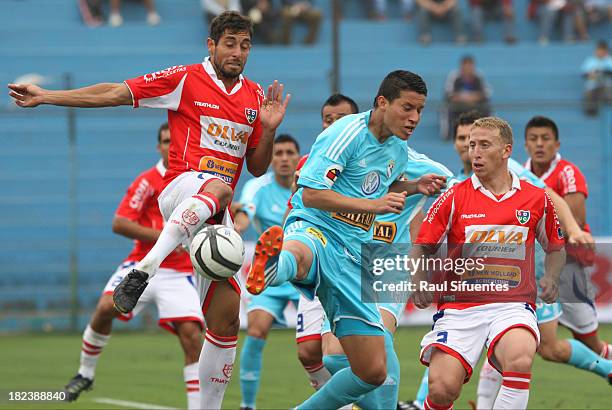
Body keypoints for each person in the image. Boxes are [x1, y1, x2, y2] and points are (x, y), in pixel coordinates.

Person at [8, 11, 290, 409]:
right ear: (211, 45)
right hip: (182, 189)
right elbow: (115, 92)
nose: (238, 52)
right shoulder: (186, 78)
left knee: (225, 322)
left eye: (245, 45)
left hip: (212, 219)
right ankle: (145, 269)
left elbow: (257, 166)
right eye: (229, 43)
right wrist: (48, 96)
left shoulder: (256, 97)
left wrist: (271, 126)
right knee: (220, 188)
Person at [247, 70, 446, 409]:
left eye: (420, 110)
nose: (414, 118)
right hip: (317, 227)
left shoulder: (397, 150)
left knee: (372, 371)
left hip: (354, 257)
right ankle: (273, 267)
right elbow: (310, 195)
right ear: (383, 102)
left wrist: (414, 186)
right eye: (408, 108)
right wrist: (373, 205)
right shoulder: (346, 132)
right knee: (301, 251)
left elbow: (379, 187)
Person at [403, 110, 595, 410]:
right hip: (460, 308)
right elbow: (422, 245)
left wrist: (552, 278)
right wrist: (419, 282)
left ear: (506, 150)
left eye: (484, 145)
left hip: (512, 305)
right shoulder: (453, 196)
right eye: (471, 145)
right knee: (442, 389)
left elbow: (555, 247)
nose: (475, 153)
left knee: (519, 357)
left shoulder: (535, 198)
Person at [62, 124, 204, 408]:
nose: (169, 145)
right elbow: (120, 222)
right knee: (104, 309)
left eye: (173, 140)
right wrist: (167, 237)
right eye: (164, 141)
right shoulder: (147, 181)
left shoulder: (196, 180)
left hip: (179, 272)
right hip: (142, 265)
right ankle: (85, 373)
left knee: (191, 335)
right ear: (158, 146)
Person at [524, 115, 612, 358]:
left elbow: (576, 221)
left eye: (545, 138)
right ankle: (489, 396)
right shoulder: (520, 174)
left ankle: (608, 365)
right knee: (511, 333)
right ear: (526, 145)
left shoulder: (567, 173)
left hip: (568, 268)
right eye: (533, 139)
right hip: (532, 271)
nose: (539, 144)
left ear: (557, 144)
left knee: (590, 342)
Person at [233, 134, 303, 410]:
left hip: (303, 270)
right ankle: (247, 405)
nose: (284, 158)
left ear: (298, 157)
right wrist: (237, 228)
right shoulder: (257, 187)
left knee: (323, 343)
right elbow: (246, 211)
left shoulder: (308, 184)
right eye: (278, 153)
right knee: (256, 329)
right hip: (271, 272)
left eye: (289, 153)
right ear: (271, 159)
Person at [441, 55, 491, 140]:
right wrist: (465, 98)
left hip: (475, 105)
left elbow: (486, 93)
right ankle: (448, 135)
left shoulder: (479, 76)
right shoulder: (454, 76)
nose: (468, 68)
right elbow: (449, 94)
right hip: (458, 106)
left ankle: (487, 135)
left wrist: (471, 98)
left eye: (470, 66)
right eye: (465, 66)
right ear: (461, 66)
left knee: (487, 107)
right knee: (446, 108)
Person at [581, 39, 612, 116]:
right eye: (598, 50)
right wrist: (591, 74)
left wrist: (602, 72)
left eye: (602, 50)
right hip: (593, 85)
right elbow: (584, 74)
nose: (600, 52)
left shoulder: (610, 60)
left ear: (606, 51)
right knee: (590, 93)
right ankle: (591, 113)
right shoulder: (590, 60)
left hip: (607, 85)